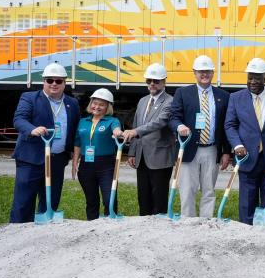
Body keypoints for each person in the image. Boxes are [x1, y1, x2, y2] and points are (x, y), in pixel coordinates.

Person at [8, 63, 79, 223]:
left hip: (57, 159)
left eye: (58, 81)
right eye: (50, 80)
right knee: (23, 202)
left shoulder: (72, 103)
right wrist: (32, 129)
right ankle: (17, 234)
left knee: (51, 201)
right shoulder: (30, 98)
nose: (54, 84)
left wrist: (74, 151)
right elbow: (19, 119)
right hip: (31, 159)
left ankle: (44, 235)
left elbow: (75, 129)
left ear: (64, 83)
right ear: (44, 82)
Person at [225, 57, 265, 224]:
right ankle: (246, 230)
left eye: (257, 78)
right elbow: (230, 125)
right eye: (250, 77)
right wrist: (237, 145)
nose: (253, 82)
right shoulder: (236, 98)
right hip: (247, 156)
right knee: (247, 200)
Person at [168, 55, 230, 218]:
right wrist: (179, 126)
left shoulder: (223, 95)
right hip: (188, 149)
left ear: (212, 73)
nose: (204, 75)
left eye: (208, 71)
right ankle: (187, 222)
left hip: (211, 149)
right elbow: (173, 117)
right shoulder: (183, 93)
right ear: (194, 73)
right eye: (201, 72)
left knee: (209, 190)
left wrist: (225, 151)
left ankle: (205, 223)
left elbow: (225, 126)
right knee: (187, 189)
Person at [118, 63, 175, 216]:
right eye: (148, 80)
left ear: (164, 81)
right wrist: (132, 152)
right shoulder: (143, 100)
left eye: (156, 81)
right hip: (142, 156)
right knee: (143, 196)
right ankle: (143, 227)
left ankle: (159, 229)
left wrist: (135, 132)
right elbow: (137, 123)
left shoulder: (170, 102)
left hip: (160, 157)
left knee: (159, 197)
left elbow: (159, 122)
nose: (152, 84)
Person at [71, 89, 123, 220]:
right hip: (86, 166)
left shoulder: (112, 121)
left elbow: (116, 128)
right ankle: (92, 227)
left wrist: (117, 132)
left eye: (102, 104)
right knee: (91, 201)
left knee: (109, 199)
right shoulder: (83, 121)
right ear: (90, 104)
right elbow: (77, 143)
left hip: (106, 166)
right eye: (95, 103)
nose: (97, 107)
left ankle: (110, 224)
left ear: (108, 107)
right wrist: (74, 162)